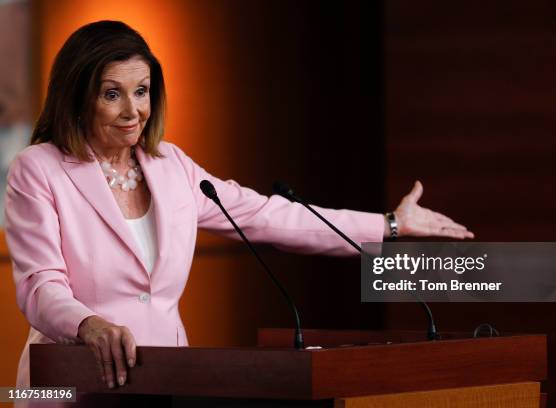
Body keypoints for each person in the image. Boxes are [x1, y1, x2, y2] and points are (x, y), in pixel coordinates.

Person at [4, 20, 473, 406]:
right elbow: (40, 285)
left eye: (142, 91)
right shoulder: (39, 168)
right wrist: (89, 324)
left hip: (163, 384)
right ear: (77, 95)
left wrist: (388, 225)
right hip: (69, 388)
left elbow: (269, 216)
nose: (133, 110)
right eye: (112, 94)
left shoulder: (173, 168)